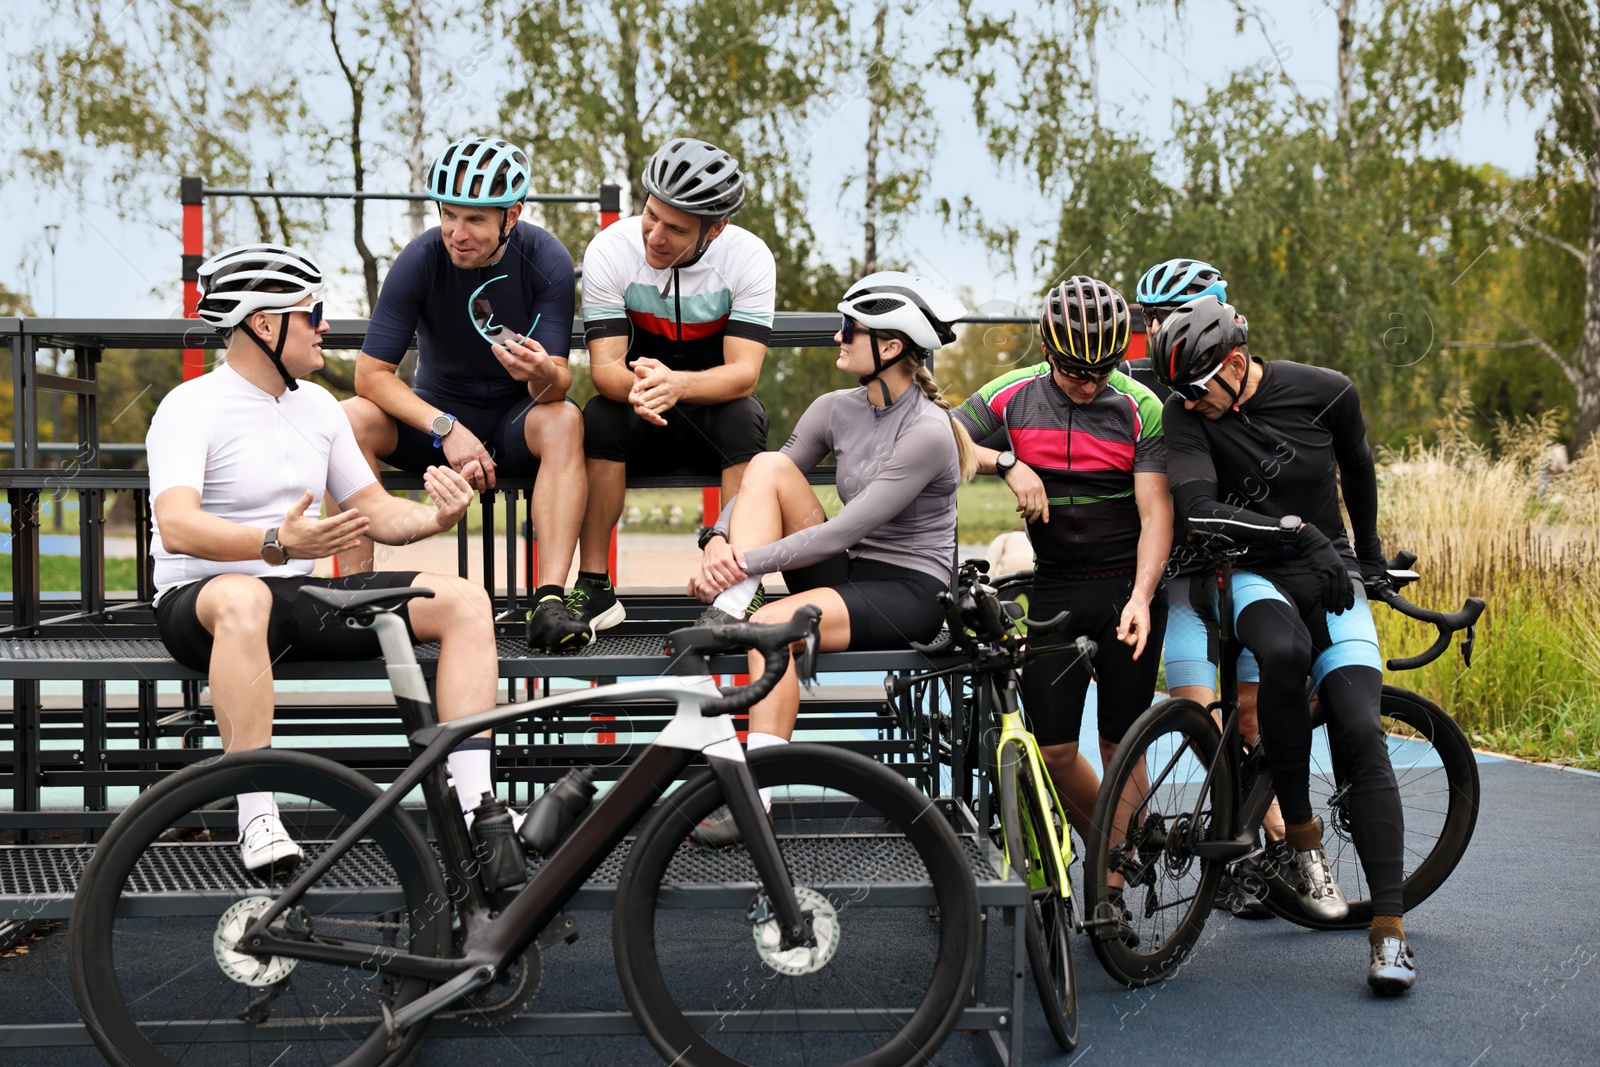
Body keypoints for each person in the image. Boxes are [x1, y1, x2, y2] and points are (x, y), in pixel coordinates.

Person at [149, 244, 503, 875]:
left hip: (292, 599)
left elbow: (373, 509)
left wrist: (434, 516)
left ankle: (478, 808)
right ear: (263, 324)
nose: (326, 327)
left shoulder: (317, 406)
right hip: (201, 602)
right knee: (245, 595)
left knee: (465, 601)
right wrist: (275, 544)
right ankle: (255, 815)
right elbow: (176, 526)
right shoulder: (189, 405)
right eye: (312, 313)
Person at [1154, 294, 1416, 994]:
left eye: (1198, 388)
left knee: (1362, 727)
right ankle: (1300, 839)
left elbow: (1358, 468)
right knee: (1283, 654)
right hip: (1249, 572)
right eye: (1179, 393)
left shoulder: (1326, 392)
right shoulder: (1186, 414)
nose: (1187, 403)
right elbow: (1201, 507)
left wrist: (1369, 558)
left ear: (1235, 363)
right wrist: (1299, 533)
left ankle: (1389, 933)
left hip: (1330, 574)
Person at [685, 272, 975, 846]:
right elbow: (762, 485)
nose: (837, 337)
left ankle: (754, 802)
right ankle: (729, 609)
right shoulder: (834, 408)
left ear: (889, 347)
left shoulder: (928, 431)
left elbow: (843, 530)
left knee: (770, 629)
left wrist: (744, 561)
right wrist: (716, 540)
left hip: (907, 592)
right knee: (767, 465)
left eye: (850, 329)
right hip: (847, 570)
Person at [951, 278, 1172, 923]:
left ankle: (1112, 886)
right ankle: (1115, 841)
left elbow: (1157, 511)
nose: (1088, 382)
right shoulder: (1011, 394)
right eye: (1075, 369)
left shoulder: (1138, 405)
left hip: (1122, 587)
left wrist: (1142, 597)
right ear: (1048, 350)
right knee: (1051, 750)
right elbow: (938, 433)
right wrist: (1005, 464)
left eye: (1102, 368)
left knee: (1120, 741)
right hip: (1055, 586)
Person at [339, 136, 590, 653]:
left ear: (512, 215)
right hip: (437, 426)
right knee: (350, 416)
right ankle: (353, 596)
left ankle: (548, 601)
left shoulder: (547, 258)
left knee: (566, 417)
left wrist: (542, 371)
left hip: (515, 424)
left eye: (475, 220)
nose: (457, 233)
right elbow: (371, 376)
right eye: (448, 215)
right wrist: (446, 427)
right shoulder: (421, 257)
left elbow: (556, 386)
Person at [572, 137, 777, 632]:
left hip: (711, 414)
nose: (655, 237)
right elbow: (605, 368)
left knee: (744, 416)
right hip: (640, 413)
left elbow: (744, 375)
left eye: (676, 228)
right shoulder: (611, 250)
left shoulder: (749, 258)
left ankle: (737, 586)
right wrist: (645, 390)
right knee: (598, 414)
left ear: (717, 228)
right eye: (651, 216)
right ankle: (595, 588)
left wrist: (677, 385)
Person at [1134, 256, 1277, 920]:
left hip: (1251, 572)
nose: (1158, 329)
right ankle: (1242, 847)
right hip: (1188, 576)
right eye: (1150, 318)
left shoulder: (1247, 382)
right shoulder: (1158, 394)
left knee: (1251, 717)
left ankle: (1278, 840)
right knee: (1200, 712)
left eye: (1170, 316)